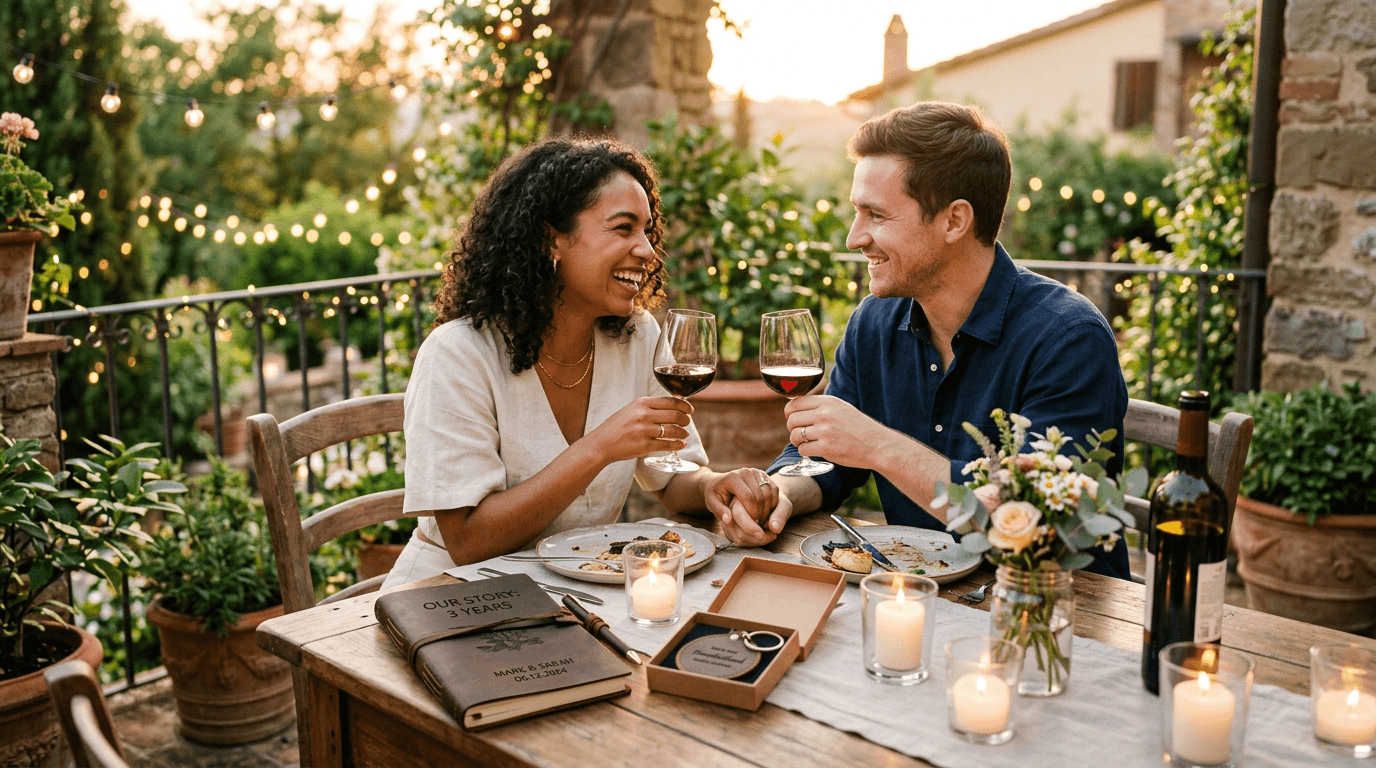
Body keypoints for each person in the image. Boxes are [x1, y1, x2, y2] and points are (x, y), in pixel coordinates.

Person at [717, 101, 1132, 580]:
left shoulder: (1068, 339)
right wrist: (777, 495)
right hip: (911, 594)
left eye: (875, 215)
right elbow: (828, 457)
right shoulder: (874, 321)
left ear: (955, 221)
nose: (855, 238)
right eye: (857, 212)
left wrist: (876, 445)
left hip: (1052, 614)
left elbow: (1037, 523)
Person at [383, 138, 776, 587]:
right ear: (552, 238)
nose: (647, 250)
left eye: (647, 231)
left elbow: (671, 479)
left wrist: (712, 488)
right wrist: (600, 447)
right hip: (453, 597)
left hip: (580, 591)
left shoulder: (636, 335)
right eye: (624, 228)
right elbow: (469, 540)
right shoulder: (459, 353)